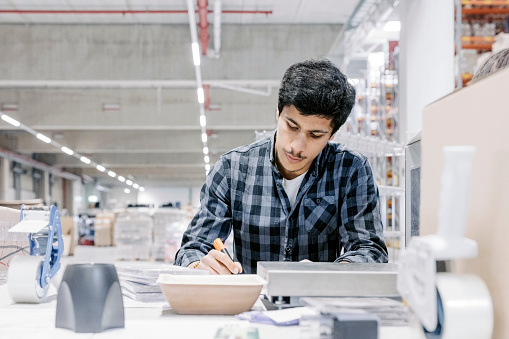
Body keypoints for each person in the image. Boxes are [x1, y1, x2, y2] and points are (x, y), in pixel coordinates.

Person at [174, 59, 388, 274]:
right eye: (291, 126)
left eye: (315, 135)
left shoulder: (350, 170)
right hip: (250, 303)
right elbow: (193, 247)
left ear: (332, 134)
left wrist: (331, 273)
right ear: (278, 113)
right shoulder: (232, 169)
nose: (297, 146)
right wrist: (198, 266)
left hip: (315, 302)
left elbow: (370, 250)